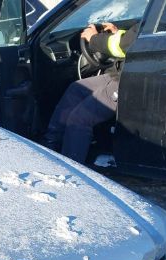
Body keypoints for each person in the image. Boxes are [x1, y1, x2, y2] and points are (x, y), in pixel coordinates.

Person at [43, 22, 139, 163]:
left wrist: (94, 39)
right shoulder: (158, 12)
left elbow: (125, 45)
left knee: (79, 119)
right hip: (120, 74)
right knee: (76, 89)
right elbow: (133, 38)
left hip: (131, 81)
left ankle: (72, 168)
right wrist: (116, 32)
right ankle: (49, 146)